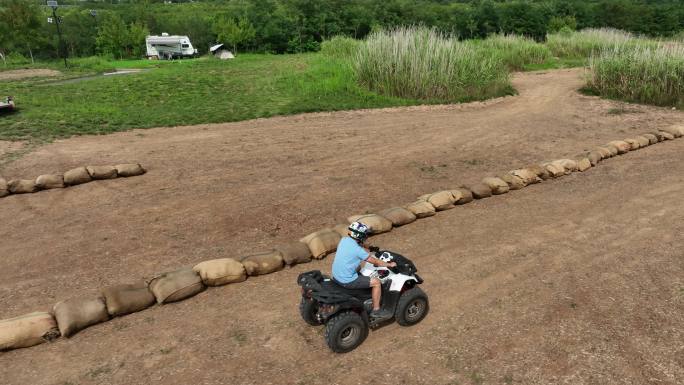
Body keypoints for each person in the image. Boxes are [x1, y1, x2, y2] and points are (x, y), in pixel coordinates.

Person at [331, 221, 396, 319]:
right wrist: (389, 264)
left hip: (336, 276)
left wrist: (369, 247)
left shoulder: (344, 240)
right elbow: (376, 262)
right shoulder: (358, 251)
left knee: (358, 267)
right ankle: (376, 310)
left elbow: (358, 244)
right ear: (359, 235)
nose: (366, 236)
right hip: (347, 281)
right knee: (377, 282)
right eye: (364, 234)